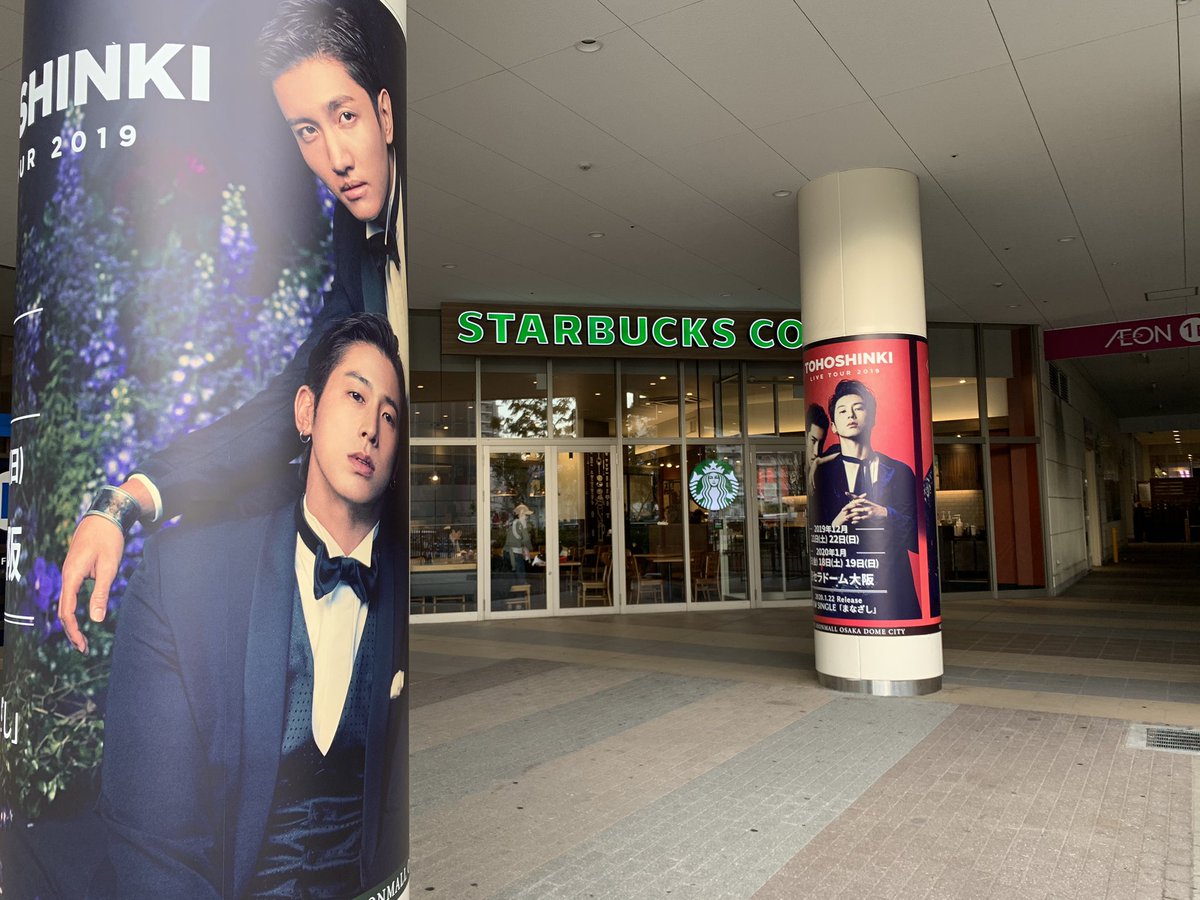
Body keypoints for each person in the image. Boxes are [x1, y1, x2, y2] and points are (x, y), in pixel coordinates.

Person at [57, 0, 408, 653]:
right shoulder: (354, 233)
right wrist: (125, 498)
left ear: (385, 114)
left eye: (345, 116)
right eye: (307, 130)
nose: (335, 157)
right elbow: (281, 407)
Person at [92, 314, 408, 898]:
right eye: (355, 397)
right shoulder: (186, 583)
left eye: (389, 416)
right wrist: (120, 504)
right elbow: (151, 836)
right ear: (306, 412)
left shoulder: (402, 593)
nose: (370, 428)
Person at [813, 378, 920, 619]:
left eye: (858, 408)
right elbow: (815, 546)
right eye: (842, 411)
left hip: (893, 592)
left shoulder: (900, 472)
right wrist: (837, 523)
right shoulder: (821, 475)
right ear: (834, 426)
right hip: (843, 590)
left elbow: (919, 540)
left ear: (872, 418)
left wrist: (884, 513)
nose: (851, 415)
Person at [503, 503, 535, 584]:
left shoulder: (512, 524)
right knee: (521, 580)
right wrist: (530, 548)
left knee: (512, 580)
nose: (527, 517)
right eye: (526, 515)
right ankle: (522, 591)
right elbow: (526, 539)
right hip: (515, 554)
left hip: (508, 553)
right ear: (521, 515)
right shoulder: (521, 524)